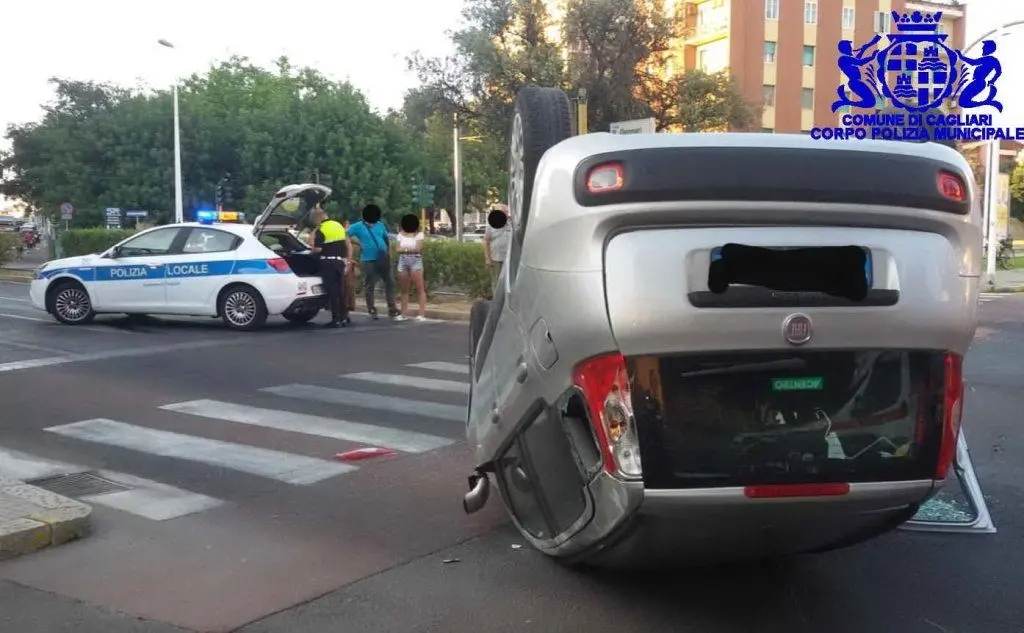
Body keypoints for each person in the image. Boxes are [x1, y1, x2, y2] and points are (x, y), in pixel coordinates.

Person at [346, 204, 399, 320]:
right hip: (368, 260)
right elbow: (345, 235)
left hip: (382, 258)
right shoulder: (357, 226)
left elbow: (386, 238)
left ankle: (392, 308)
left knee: (389, 282)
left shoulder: (380, 224)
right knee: (370, 285)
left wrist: (388, 251)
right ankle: (371, 308)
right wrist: (356, 243)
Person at [309, 206, 352, 328]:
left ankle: (336, 319)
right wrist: (348, 262)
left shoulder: (321, 229)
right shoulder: (338, 226)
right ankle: (344, 317)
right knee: (339, 290)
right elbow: (347, 244)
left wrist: (310, 252)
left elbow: (318, 249)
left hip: (328, 263)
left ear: (317, 218)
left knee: (333, 292)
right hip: (340, 262)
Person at [395, 213, 427, 321]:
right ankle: (403, 314)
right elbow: (397, 249)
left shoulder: (419, 235)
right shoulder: (400, 235)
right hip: (403, 261)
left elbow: (418, 248)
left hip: (415, 260)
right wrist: (408, 250)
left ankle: (421, 314)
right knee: (404, 289)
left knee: (420, 288)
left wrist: (405, 250)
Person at [483, 205, 511, 293]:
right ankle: (496, 302)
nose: (505, 214)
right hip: (496, 259)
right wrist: (488, 259)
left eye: (507, 212)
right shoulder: (491, 226)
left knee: (509, 282)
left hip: (509, 259)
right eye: (503, 212)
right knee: (497, 282)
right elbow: (485, 242)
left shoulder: (511, 224)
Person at [342, 218, 357, 314]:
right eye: (347, 224)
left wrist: (350, 261)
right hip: (343, 262)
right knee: (345, 287)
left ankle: (347, 308)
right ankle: (345, 309)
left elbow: (352, 244)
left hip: (347, 262)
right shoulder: (342, 234)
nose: (349, 226)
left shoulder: (347, 235)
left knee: (348, 287)